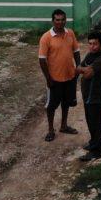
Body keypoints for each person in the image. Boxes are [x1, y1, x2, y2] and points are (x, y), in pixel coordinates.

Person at [38, 9, 80, 142]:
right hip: (54, 79)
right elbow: (42, 59)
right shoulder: (46, 37)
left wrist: (77, 67)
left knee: (66, 102)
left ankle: (64, 125)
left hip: (70, 76)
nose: (60, 22)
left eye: (62, 20)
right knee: (51, 105)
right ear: (53, 21)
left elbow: (76, 51)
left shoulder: (70, 33)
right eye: (57, 20)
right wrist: (48, 79)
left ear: (65, 20)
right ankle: (50, 130)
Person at [76, 30, 101, 161]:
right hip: (87, 96)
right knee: (90, 121)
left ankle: (97, 151)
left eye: (95, 44)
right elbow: (80, 68)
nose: (92, 46)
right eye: (90, 44)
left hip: (95, 96)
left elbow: (87, 72)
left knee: (97, 122)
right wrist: (82, 70)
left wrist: (82, 70)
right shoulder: (91, 55)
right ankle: (94, 143)